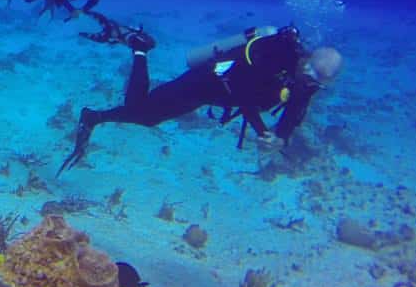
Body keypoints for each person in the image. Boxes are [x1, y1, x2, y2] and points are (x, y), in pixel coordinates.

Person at [58, 12, 343, 175]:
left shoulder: (307, 82)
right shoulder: (274, 54)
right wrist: (260, 130)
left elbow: (294, 111)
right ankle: (138, 45)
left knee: (147, 116)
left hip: (218, 95)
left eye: (321, 82)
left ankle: (93, 117)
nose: (311, 82)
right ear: (307, 60)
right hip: (208, 80)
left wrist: (280, 138)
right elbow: (244, 90)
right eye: (312, 74)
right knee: (141, 111)